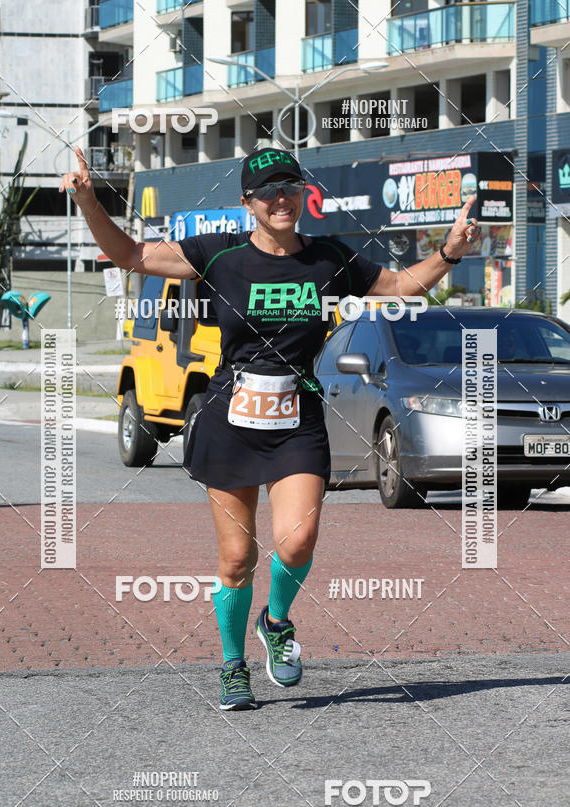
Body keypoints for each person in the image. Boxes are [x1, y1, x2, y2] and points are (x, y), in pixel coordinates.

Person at [60, 145, 478, 711]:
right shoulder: (219, 253)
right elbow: (129, 253)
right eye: (268, 191)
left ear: (302, 194)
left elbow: (399, 286)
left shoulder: (329, 258)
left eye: (289, 186)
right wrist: (88, 200)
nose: (281, 198)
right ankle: (234, 665)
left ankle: (275, 622)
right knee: (236, 558)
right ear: (248, 203)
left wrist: (449, 254)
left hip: (296, 420)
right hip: (229, 419)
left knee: (297, 538)